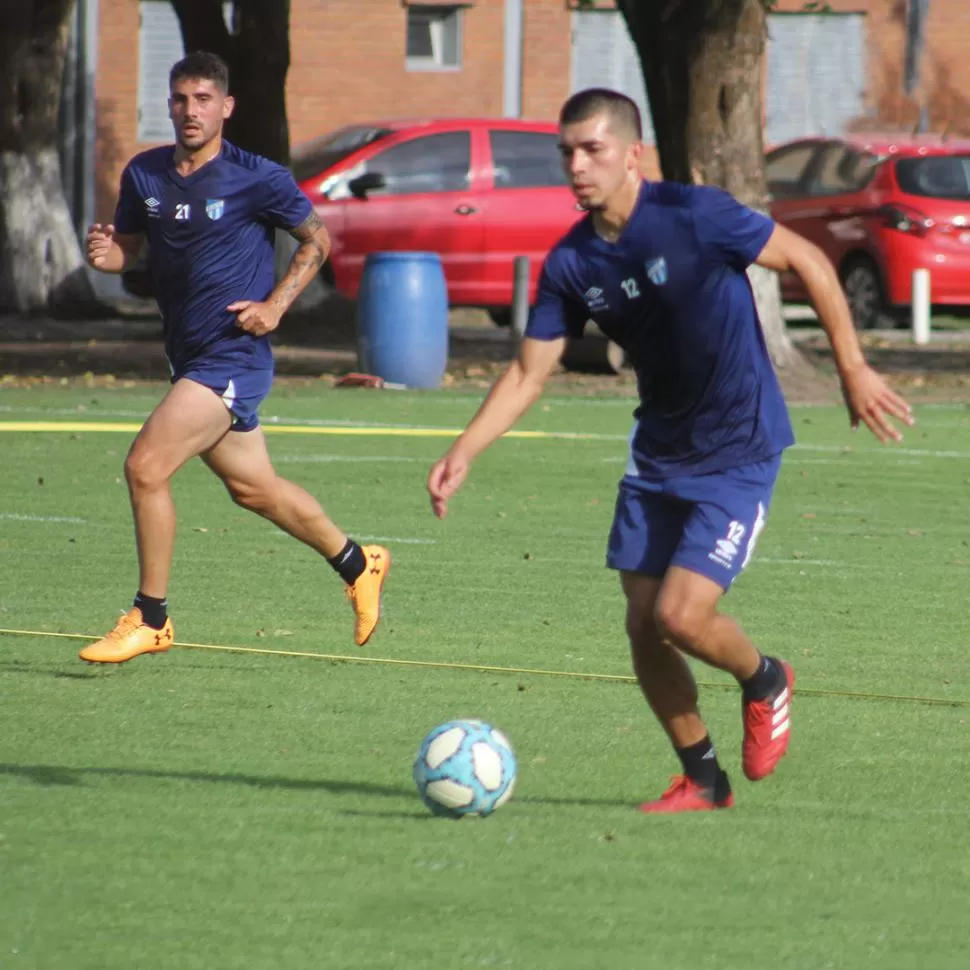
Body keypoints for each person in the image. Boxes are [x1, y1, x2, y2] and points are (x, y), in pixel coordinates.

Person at [426, 88, 913, 813]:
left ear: (633, 155)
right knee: (643, 625)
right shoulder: (571, 263)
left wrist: (853, 369)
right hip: (657, 455)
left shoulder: (694, 214)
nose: (577, 165)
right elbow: (531, 369)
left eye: (592, 149)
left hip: (739, 446)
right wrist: (465, 448)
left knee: (681, 617)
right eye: (567, 152)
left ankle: (766, 678)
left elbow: (808, 259)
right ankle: (704, 778)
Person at [80, 51, 390, 664]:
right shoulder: (144, 175)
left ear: (225, 107)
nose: (190, 111)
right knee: (254, 490)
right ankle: (360, 562)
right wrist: (105, 254)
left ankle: (152, 617)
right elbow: (130, 252)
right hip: (187, 354)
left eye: (202, 100)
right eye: (179, 99)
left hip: (233, 356)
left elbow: (316, 241)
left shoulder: (259, 177)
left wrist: (276, 306)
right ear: (169, 104)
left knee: (146, 468)